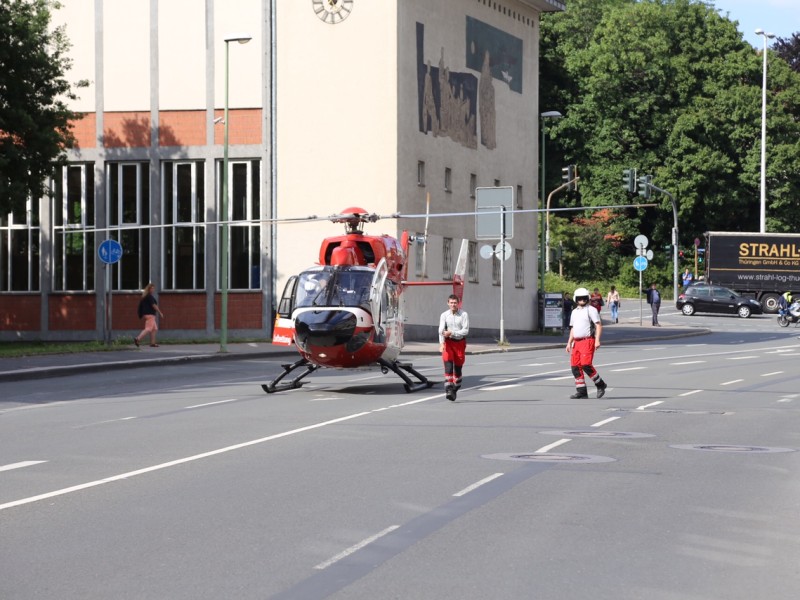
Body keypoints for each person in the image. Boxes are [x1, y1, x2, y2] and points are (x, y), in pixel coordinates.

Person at [566, 287, 607, 399]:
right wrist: (569, 342)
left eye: (584, 298)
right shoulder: (574, 312)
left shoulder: (591, 310)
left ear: (587, 298)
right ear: (576, 299)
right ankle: (582, 391)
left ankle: (600, 384)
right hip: (576, 342)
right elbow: (573, 328)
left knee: (586, 364)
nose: (582, 301)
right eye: (580, 299)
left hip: (587, 340)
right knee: (575, 367)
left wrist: (597, 340)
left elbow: (598, 325)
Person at [439, 294, 469, 401]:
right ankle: (449, 389)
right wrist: (442, 343)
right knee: (448, 365)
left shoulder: (464, 314)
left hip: (460, 343)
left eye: (455, 303)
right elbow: (441, 331)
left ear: (458, 303)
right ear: (448, 303)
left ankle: (456, 388)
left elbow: (465, 330)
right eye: (451, 303)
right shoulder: (444, 315)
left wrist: (452, 332)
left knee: (458, 368)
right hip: (448, 343)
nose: (453, 305)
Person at [134, 282, 164, 347]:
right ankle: (137, 339)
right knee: (148, 329)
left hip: (147, 314)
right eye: (152, 288)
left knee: (154, 329)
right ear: (149, 289)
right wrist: (160, 312)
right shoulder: (149, 296)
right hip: (150, 314)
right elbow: (154, 305)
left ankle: (152, 343)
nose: (153, 290)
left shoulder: (145, 296)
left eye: (153, 288)